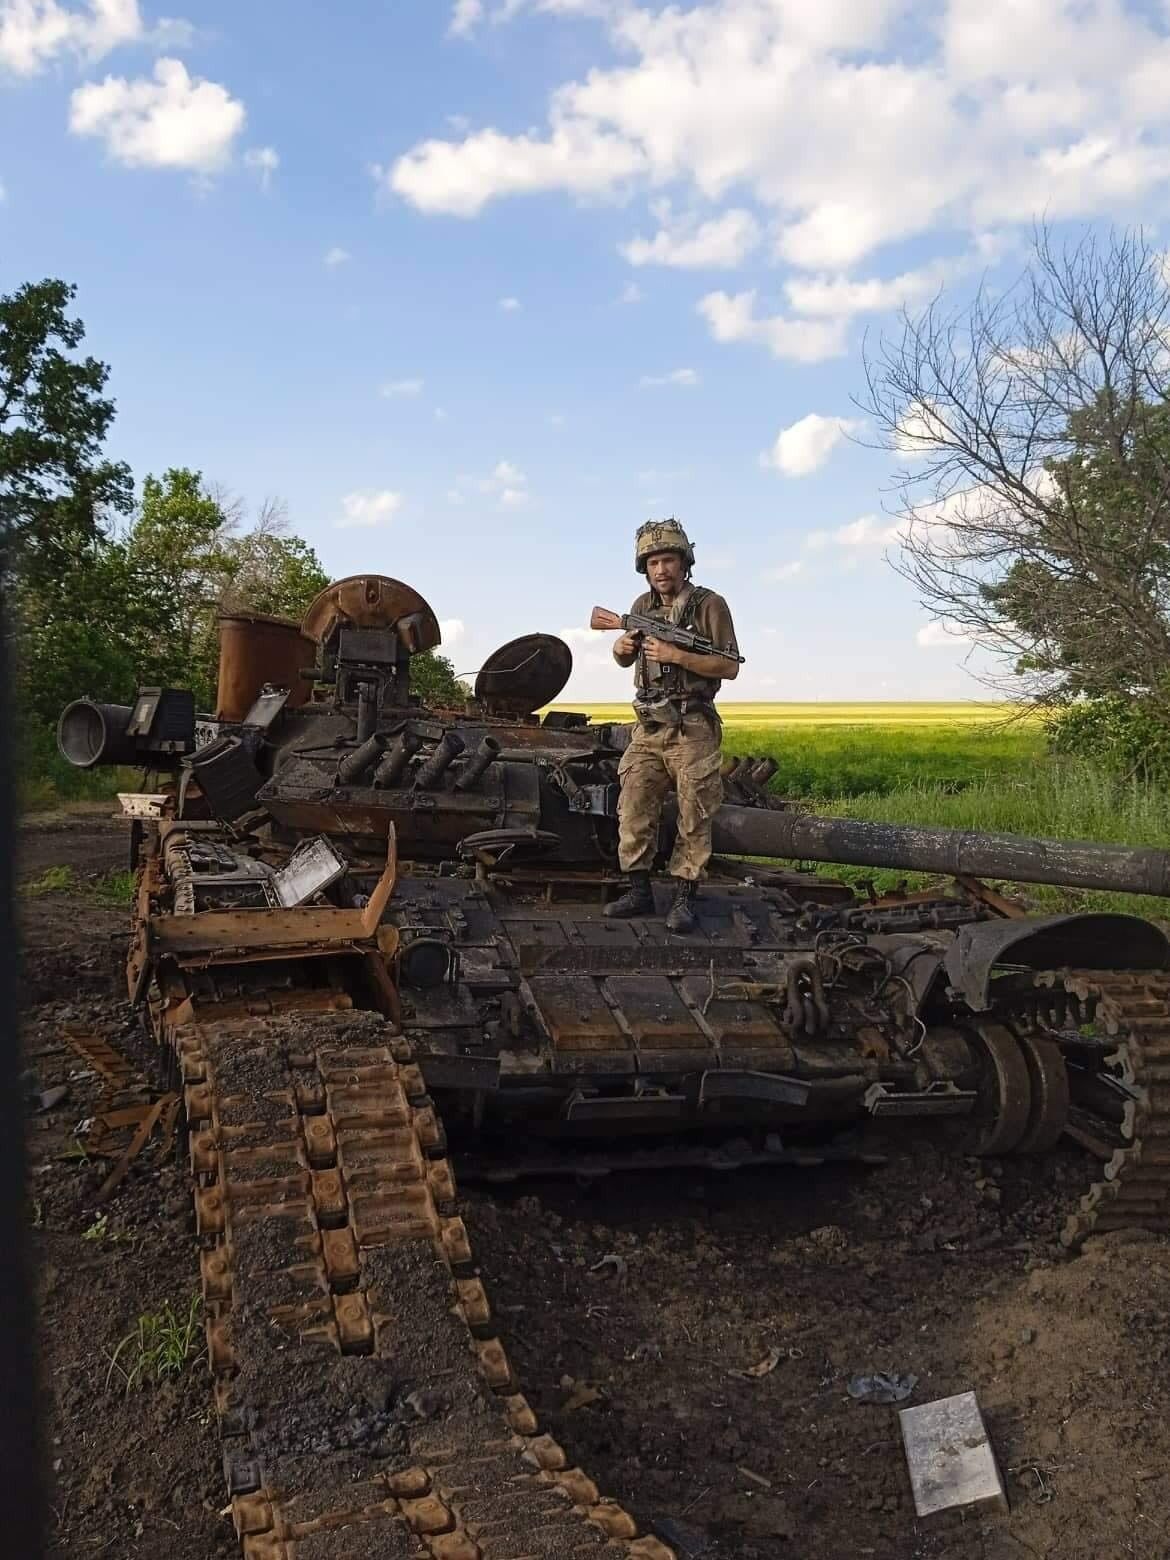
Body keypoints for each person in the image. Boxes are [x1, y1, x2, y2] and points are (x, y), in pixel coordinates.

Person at [605, 519, 741, 933]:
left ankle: (684, 897)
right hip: (648, 726)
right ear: (643, 568)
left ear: (684, 563)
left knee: (694, 812)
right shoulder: (642, 607)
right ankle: (638, 889)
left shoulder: (709, 605)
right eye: (652, 563)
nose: (660, 569)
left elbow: (729, 666)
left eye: (668, 560)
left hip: (691, 724)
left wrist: (677, 655)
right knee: (633, 805)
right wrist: (621, 647)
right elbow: (627, 657)